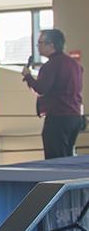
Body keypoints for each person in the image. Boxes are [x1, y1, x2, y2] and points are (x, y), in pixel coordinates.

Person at [23, 29, 85, 159]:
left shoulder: (51, 65)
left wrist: (28, 77)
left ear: (51, 45)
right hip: (74, 116)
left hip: (58, 117)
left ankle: (59, 180)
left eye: (40, 43)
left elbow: (41, 88)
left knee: (55, 159)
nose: (38, 46)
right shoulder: (75, 64)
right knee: (67, 157)